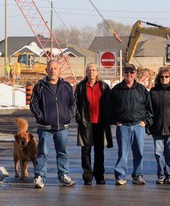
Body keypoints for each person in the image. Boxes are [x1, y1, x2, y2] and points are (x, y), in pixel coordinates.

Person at [30, 60, 76, 188]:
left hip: (62, 128)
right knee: (42, 153)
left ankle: (64, 175)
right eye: (50, 68)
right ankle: (39, 176)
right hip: (45, 127)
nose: (53, 71)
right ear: (46, 70)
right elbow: (33, 104)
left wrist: (69, 115)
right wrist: (41, 117)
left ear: (59, 70)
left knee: (62, 153)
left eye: (55, 68)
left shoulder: (66, 86)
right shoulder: (40, 86)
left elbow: (73, 102)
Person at [109, 64, 153, 185]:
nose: (129, 74)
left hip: (138, 126)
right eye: (126, 72)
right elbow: (109, 108)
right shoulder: (116, 90)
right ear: (123, 74)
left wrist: (146, 121)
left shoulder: (141, 89)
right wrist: (115, 121)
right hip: (122, 126)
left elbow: (149, 108)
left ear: (135, 74)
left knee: (139, 152)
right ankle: (120, 176)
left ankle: (137, 175)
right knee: (123, 152)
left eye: (131, 72)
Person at [75, 63, 113, 185]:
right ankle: (87, 176)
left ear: (97, 73)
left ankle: (99, 176)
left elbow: (109, 104)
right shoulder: (81, 87)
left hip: (100, 124)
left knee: (99, 151)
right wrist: (79, 118)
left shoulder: (104, 87)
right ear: (86, 72)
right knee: (85, 151)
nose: (91, 72)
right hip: (86, 123)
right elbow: (75, 104)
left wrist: (108, 119)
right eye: (89, 70)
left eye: (93, 70)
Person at [149, 68, 170, 185]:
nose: (164, 79)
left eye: (166, 76)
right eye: (162, 77)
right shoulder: (153, 91)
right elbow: (149, 109)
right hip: (157, 127)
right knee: (158, 153)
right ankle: (161, 175)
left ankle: (169, 175)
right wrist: (149, 123)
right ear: (158, 78)